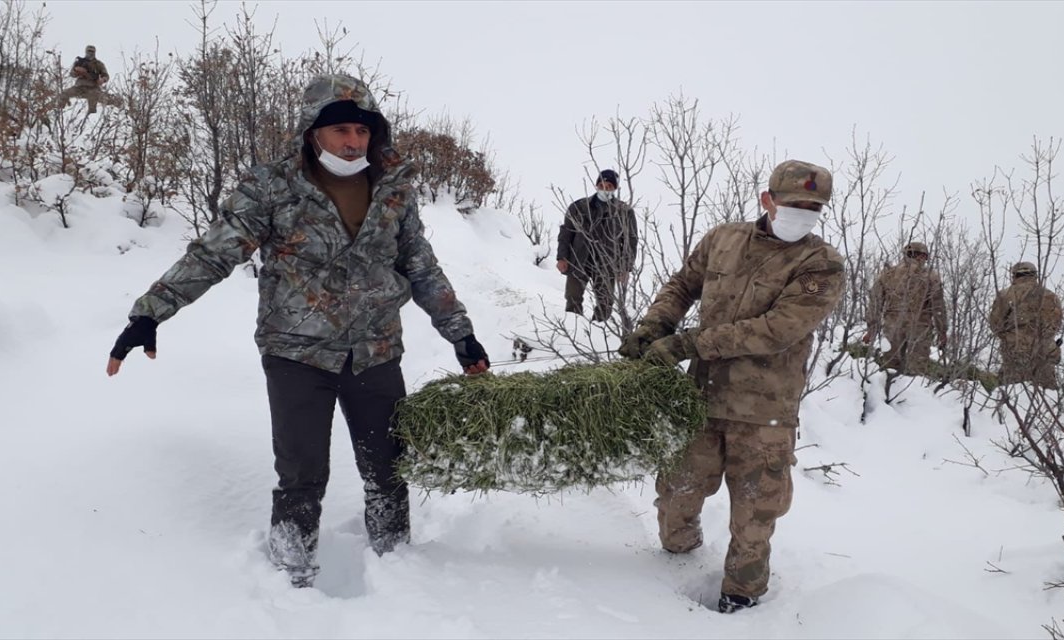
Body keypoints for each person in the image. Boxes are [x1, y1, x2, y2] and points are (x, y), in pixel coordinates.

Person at [105, 74, 490, 588]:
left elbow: (420, 265)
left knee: (388, 468)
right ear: (312, 132)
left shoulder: (393, 188)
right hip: (296, 354)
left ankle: (396, 567)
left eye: (362, 130)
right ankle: (292, 579)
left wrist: (460, 334)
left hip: (375, 351)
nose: (353, 142)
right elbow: (214, 253)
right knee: (302, 474)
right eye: (341, 130)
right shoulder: (272, 186)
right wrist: (151, 313)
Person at [618, 160, 845, 614]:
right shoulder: (723, 239)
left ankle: (741, 596)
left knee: (755, 515)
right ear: (767, 200)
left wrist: (688, 343)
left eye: (813, 208)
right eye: (794, 205)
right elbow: (682, 285)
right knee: (677, 494)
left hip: (764, 414)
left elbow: (777, 329)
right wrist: (655, 325)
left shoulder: (821, 264)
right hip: (700, 401)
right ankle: (677, 561)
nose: (803, 214)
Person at [556, 169, 638, 322]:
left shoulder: (624, 212)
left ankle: (598, 330)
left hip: (607, 263)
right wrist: (562, 257)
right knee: (572, 297)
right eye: (601, 185)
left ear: (615, 188)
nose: (604, 189)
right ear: (596, 185)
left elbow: (630, 241)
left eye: (609, 186)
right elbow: (566, 234)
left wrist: (625, 267)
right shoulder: (579, 207)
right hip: (579, 260)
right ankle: (573, 327)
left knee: (605, 302)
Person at [862, 241, 947, 375]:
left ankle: (887, 387)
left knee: (889, 368)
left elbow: (875, 303)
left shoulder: (888, 274)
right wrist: (942, 331)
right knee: (917, 371)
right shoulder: (930, 276)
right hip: (919, 328)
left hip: (892, 327)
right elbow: (938, 307)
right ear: (922, 256)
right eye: (924, 256)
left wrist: (871, 328)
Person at [987, 261, 1063, 388]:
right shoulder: (1050, 296)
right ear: (1035, 275)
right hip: (1045, 353)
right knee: (1047, 395)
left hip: (1016, 352)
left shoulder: (1005, 295)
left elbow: (995, 325)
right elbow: (1056, 325)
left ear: (1014, 275)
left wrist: (1011, 336)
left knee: (1012, 392)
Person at [56, 45, 113, 114]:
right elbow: (72, 74)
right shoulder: (80, 62)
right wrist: (77, 71)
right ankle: (59, 112)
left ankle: (91, 115)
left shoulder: (99, 64)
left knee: (95, 100)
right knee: (64, 93)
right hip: (79, 87)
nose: (90, 53)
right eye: (89, 51)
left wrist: (102, 80)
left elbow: (106, 76)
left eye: (92, 51)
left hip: (93, 88)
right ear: (86, 51)